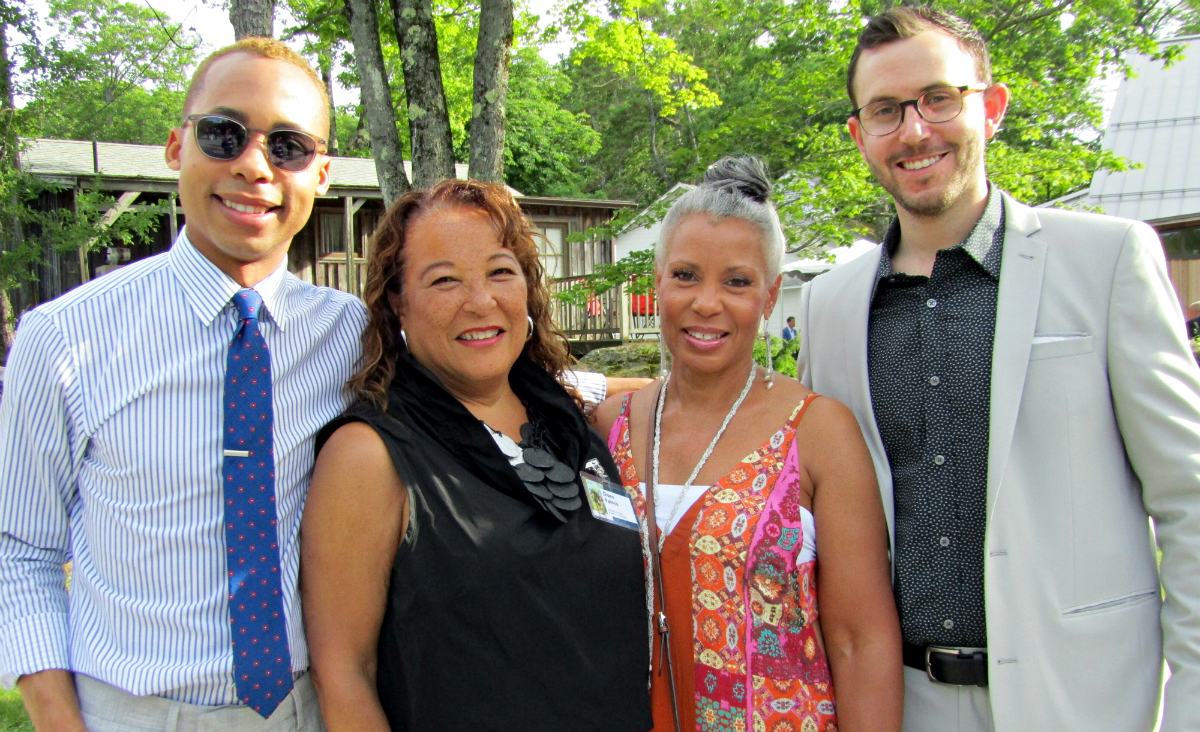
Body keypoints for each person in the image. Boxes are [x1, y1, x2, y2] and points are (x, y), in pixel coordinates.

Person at [797, 7, 1200, 732]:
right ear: (860, 136)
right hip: (902, 704)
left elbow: (1191, 502)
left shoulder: (1108, 262)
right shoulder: (828, 310)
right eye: (887, 110)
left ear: (993, 107)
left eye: (939, 98)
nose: (915, 130)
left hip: (1088, 704)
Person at [0, 38, 357, 730]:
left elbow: (482, 377)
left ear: (320, 173)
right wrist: (58, 721)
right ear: (175, 147)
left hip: (306, 709)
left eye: (287, 146)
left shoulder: (353, 336)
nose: (254, 165)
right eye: (224, 134)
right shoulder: (64, 339)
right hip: (128, 713)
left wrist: (632, 400)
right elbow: (20, 548)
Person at [301, 178, 652, 732]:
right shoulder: (369, 456)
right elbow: (344, 674)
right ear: (398, 301)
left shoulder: (568, 420)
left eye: (500, 271)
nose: (481, 301)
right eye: (444, 281)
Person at [594, 156, 902, 732]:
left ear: (769, 295)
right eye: (685, 275)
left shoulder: (817, 432)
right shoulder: (609, 429)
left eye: (736, 282)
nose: (706, 303)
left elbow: (862, 641)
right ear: (657, 282)